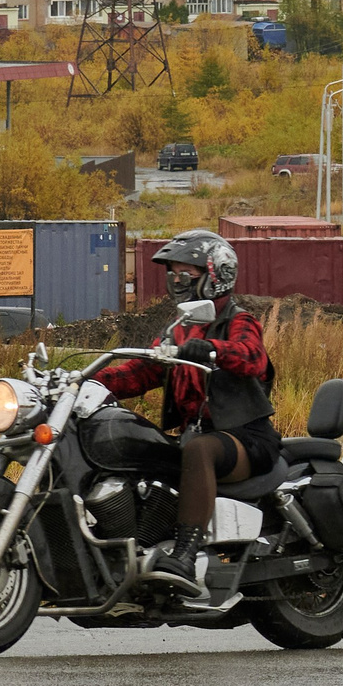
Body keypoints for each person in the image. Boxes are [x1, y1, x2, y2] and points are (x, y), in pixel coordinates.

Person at [94, 230, 276, 600]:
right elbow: (141, 371)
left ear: (215, 274)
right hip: (197, 435)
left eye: (185, 275)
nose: (177, 282)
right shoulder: (178, 328)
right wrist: (85, 380)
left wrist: (211, 349)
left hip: (244, 437)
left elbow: (252, 356)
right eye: (172, 275)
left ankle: (186, 555)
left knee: (198, 451)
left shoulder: (239, 320)